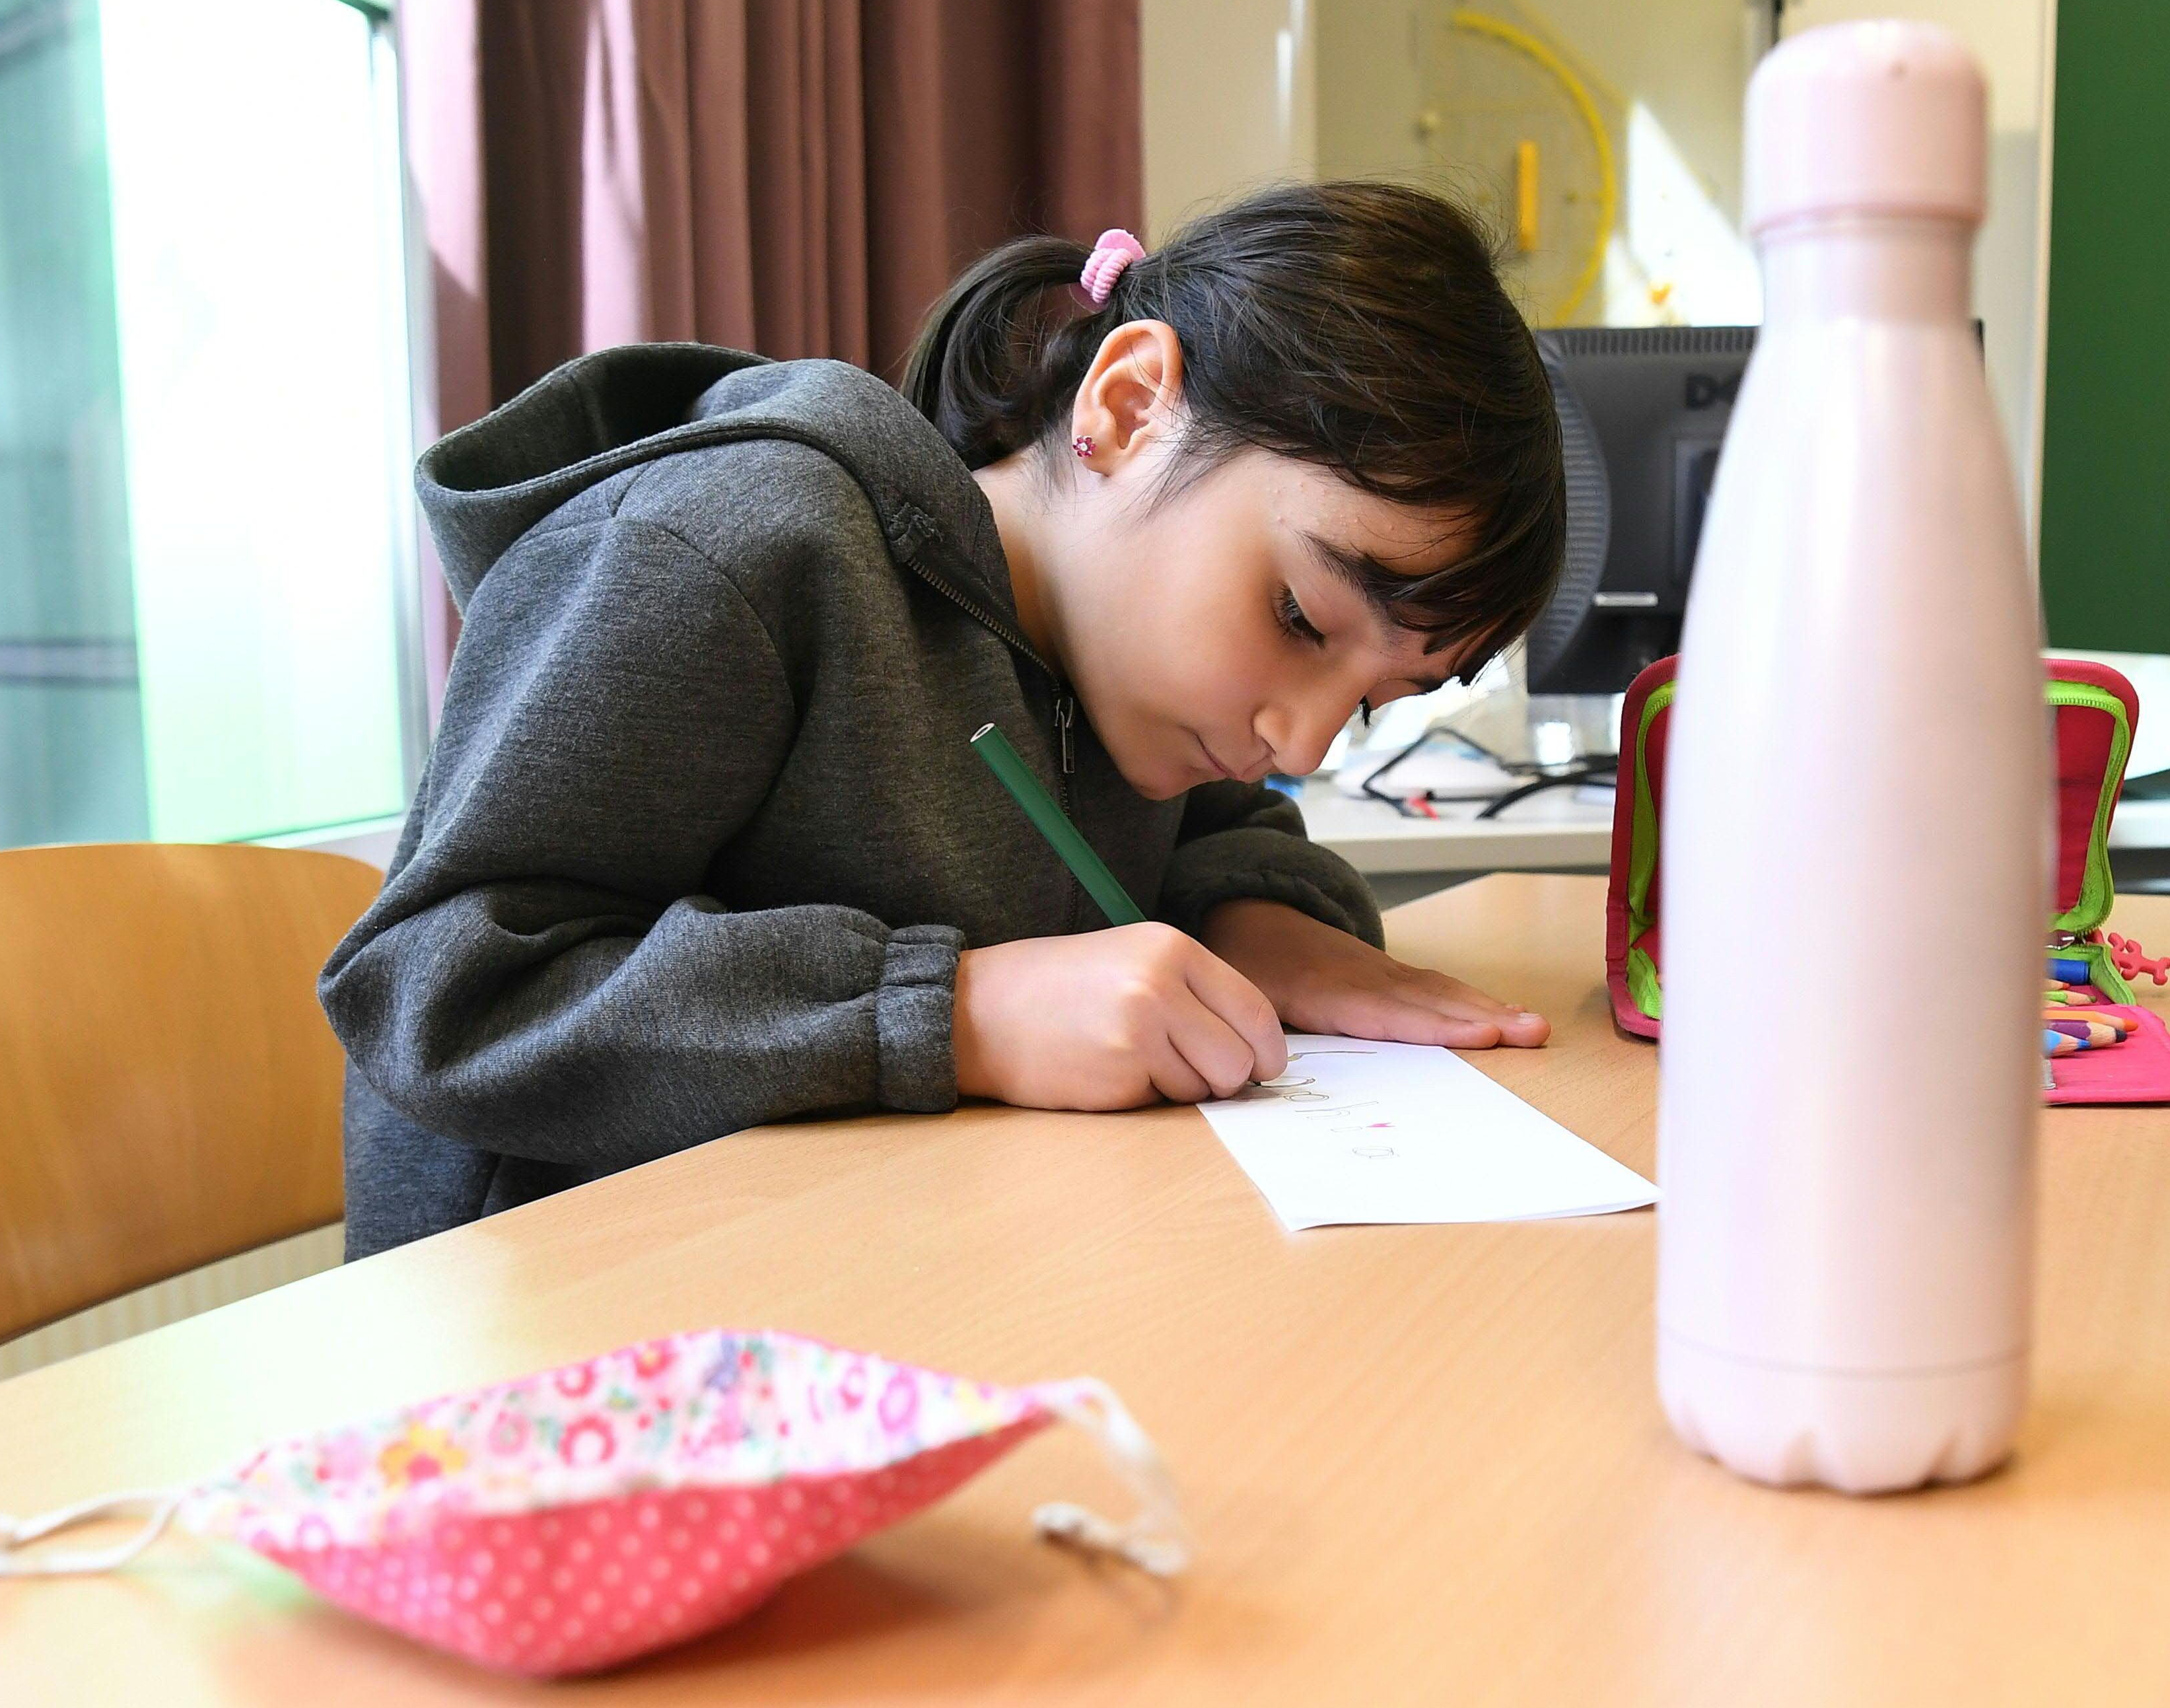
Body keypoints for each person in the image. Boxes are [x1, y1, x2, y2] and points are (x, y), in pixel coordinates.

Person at [321, 182, 1566, 1258]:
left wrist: (1264, 933)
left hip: (898, 1295)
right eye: (1299, 617)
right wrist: (955, 1013)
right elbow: (434, 985)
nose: (1300, 742)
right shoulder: (730, 549)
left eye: (1369, 701)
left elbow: (1217, 835)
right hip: (564, 1380)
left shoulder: (1126, 675)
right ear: (1130, 408)